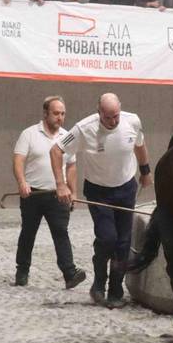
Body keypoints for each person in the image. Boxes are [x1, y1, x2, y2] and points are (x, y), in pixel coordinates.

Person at [53, 94, 152, 308]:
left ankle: (116, 290)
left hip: (126, 187)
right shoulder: (83, 129)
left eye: (116, 116)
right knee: (108, 238)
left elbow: (140, 145)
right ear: (99, 113)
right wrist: (61, 185)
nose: (113, 121)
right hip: (99, 191)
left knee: (123, 242)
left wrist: (145, 171)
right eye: (108, 118)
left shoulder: (132, 121)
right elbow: (56, 150)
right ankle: (99, 283)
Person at [12, 97, 87, 289]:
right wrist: (22, 183)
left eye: (62, 113)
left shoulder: (67, 137)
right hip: (33, 194)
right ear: (45, 113)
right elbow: (18, 160)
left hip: (58, 194)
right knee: (28, 232)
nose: (60, 117)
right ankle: (22, 271)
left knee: (61, 232)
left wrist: (73, 192)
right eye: (56, 113)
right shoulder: (29, 134)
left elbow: (71, 167)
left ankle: (70, 273)